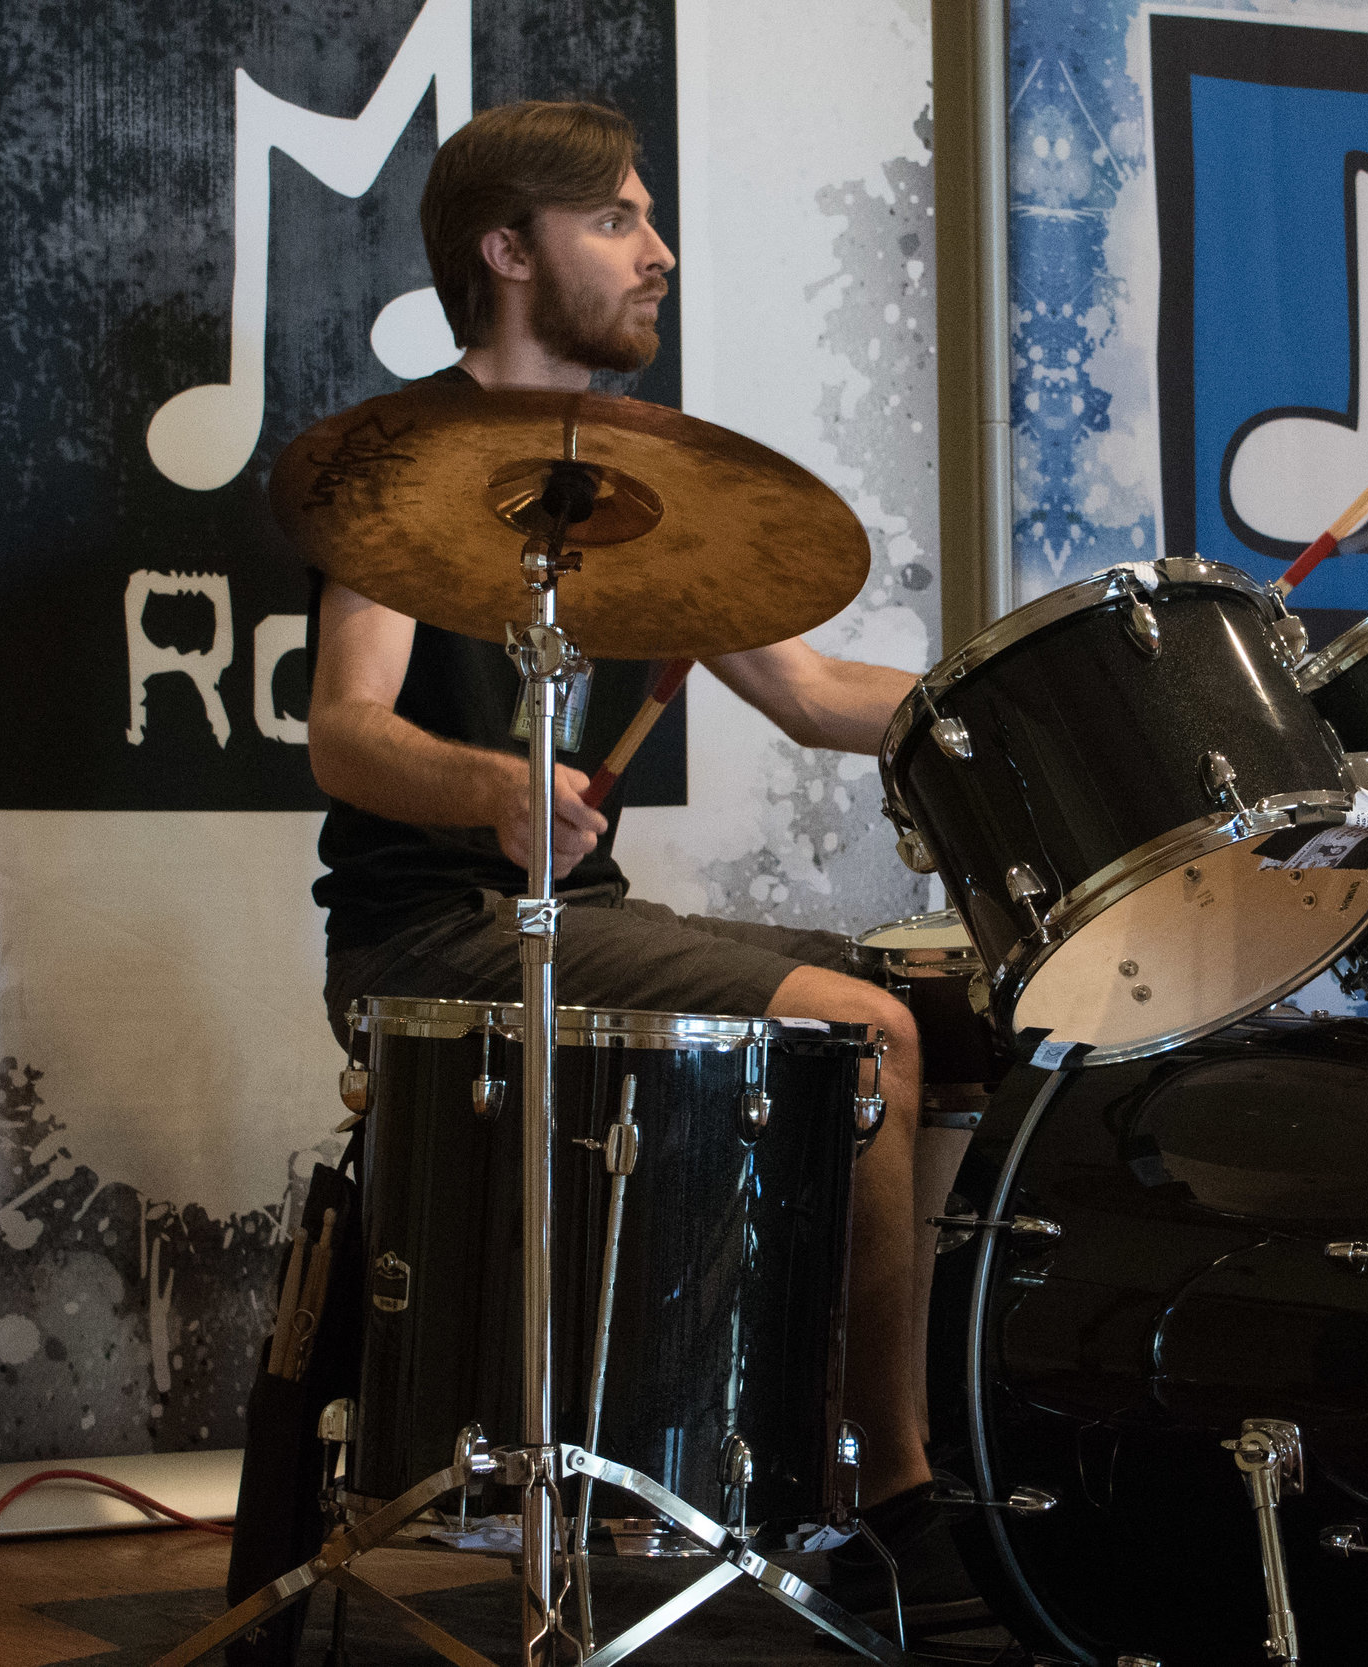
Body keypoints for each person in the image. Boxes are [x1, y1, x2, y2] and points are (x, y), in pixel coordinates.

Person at [300, 100, 970, 1617]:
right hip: (437, 931)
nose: (657, 251)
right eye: (616, 219)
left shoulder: (634, 475)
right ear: (508, 252)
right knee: (866, 1031)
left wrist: (999, 699)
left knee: (934, 1007)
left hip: (579, 912)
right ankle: (893, 1500)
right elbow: (345, 732)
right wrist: (492, 786)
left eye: (650, 217)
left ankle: (838, 1459)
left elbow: (814, 694)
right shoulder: (400, 465)